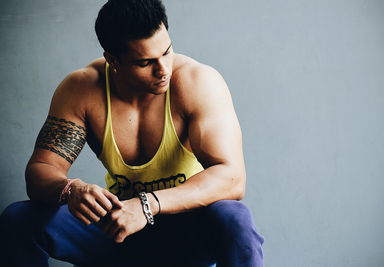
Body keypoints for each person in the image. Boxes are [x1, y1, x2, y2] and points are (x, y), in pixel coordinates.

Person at [0, 0, 264, 266]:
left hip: (186, 229)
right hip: (119, 227)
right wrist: (71, 190)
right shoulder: (82, 90)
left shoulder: (196, 82)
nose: (163, 70)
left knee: (234, 217)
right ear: (113, 60)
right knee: (19, 219)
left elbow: (231, 178)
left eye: (167, 52)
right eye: (145, 62)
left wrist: (147, 204)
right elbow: (41, 170)